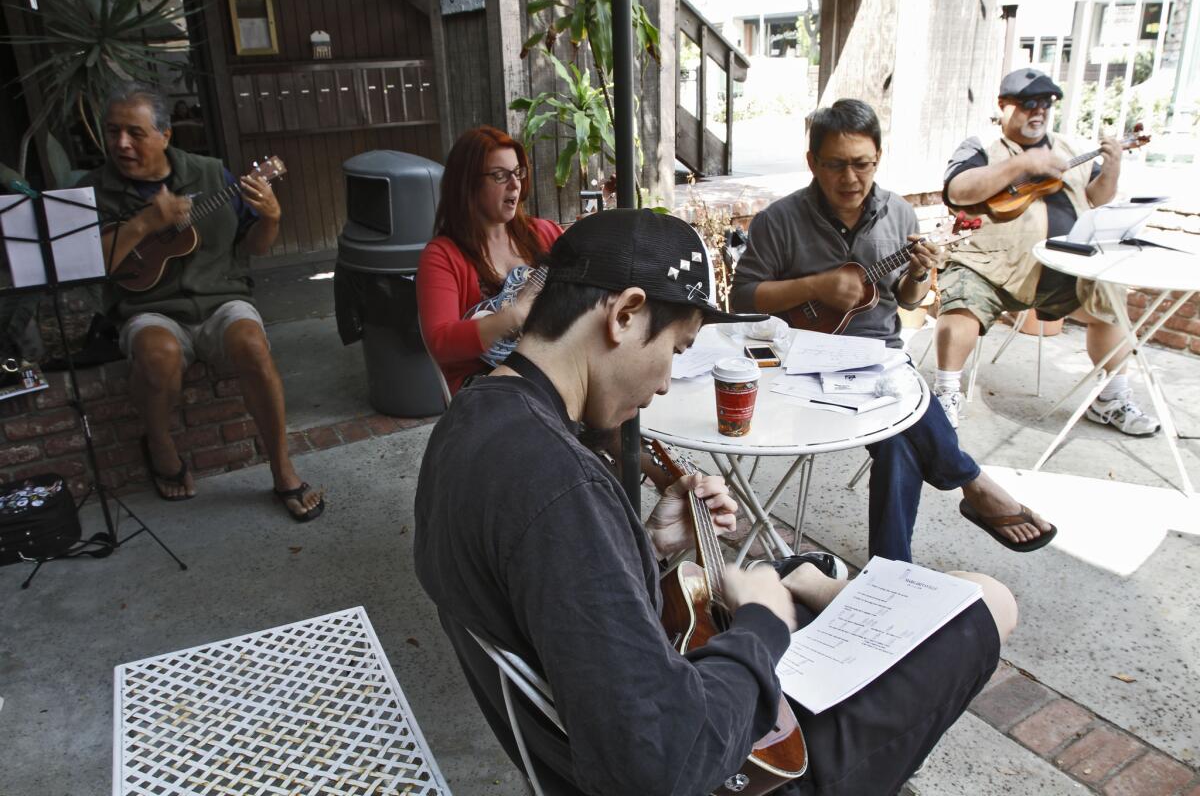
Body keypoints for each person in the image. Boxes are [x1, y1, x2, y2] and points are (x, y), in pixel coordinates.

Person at [414, 208, 1018, 795]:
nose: (661, 386)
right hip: (741, 768)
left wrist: (644, 546)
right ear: (625, 314)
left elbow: (552, 582)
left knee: (789, 579)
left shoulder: (472, 419)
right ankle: (811, 595)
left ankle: (813, 587)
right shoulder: (561, 489)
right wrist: (762, 625)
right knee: (985, 599)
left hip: (585, 732)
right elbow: (663, 764)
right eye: (676, 351)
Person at [730, 99, 1055, 560]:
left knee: (899, 434)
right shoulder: (778, 220)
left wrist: (921, 274)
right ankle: (973, 486)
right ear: (812, 162)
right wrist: (814, 286)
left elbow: (905, 299)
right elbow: (740, 299)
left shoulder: (900, 214)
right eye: (835, 165)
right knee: (901, 415)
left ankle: (893, 564)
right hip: (798, 364)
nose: (850, 178)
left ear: (878, 158)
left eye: (862, 164)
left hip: (876, 357)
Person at [84, 82, 323, 522]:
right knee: (159, 354)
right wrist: (143, 224)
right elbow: (88, 265)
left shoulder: (211, 175)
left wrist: (270, 216)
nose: (121, 143)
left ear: (165, 135)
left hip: (219, 297)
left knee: (252, 344)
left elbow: (257, 245)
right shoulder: (93, 190)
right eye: (113, 131)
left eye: (134, 133)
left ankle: (282, 468)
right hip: (146, 307)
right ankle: (160, 446)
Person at [932, 67, 1156, 435]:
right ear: (1003, 106)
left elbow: (1096, 198)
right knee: (962, 299)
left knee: (1110, 298)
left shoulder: (1068, 149)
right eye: (1028, 103)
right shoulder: (981, 148)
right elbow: (959, 191)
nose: (1038, 111)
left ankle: (1111, 398)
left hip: (1063, 270)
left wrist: (1112, 169)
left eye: (1047, 105)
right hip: (992, 268)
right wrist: (1022, 163)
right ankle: (945, 396)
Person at [416, 126, 563, 395]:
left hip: (549, 368)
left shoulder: (543, 232)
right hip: (485, 388)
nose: (515, 184)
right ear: (468, 184)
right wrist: (512, 317)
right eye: (500, 176)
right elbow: (440, 342)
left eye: (518, 172)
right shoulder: (441, 257)